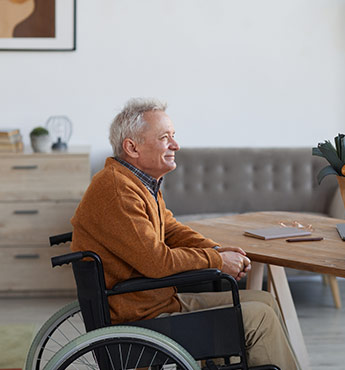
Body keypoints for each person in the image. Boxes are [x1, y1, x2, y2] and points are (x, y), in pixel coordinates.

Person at [70, 98, 300, 369]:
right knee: (260, 316)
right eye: (165, 138)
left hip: (155, 301)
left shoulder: (138, 183)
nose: (176, 145)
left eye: (173, 136)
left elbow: (171, 229)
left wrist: (217, 251)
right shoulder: (118, 189)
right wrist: (216, 262)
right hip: (141, 317)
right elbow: (157, 261)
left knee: (264, 299)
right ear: (132, 147)